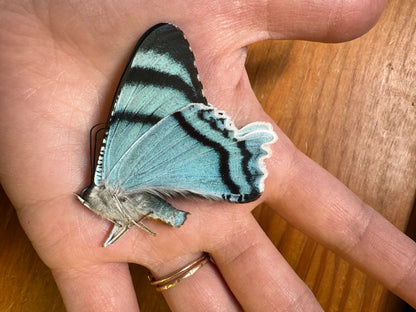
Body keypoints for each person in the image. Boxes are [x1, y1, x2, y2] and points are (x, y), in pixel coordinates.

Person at [0, 0, 414, 311]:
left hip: (192, 162)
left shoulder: (112, 174)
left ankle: (234, 161)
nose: (86, 196)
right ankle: (233, 165)